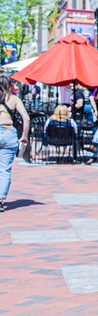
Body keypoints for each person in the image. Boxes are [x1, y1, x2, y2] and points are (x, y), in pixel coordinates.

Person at [0, 74, 30, 212]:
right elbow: (26, 118)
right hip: (8, 132)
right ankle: (0, 200)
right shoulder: (14, 99)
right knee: (4, 169)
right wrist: (24, 136)